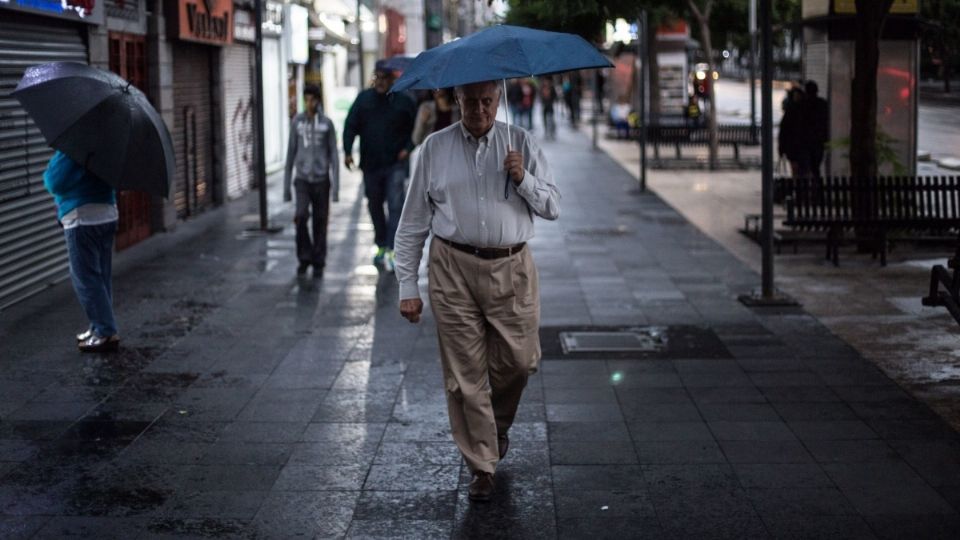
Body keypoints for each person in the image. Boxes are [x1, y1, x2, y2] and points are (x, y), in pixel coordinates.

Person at [393, 80, 560, 503]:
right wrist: (407, 285)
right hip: (452, 268)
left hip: (512, 267)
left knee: (519, 363)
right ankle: (482, 464)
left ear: (499, 100)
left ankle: (495, 427)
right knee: (464, 376)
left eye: (487, 101)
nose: (479, 110)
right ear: (458, 100)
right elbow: (412, 221)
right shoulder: (434, 148)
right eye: (471, 102)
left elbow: (553, 207)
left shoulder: (520, 141)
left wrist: (522, 178)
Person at [43, 150, 120, 353]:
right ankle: (98, 326)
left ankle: (105, 332)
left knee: (85, 278)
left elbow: (54, 182)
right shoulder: (108, 146)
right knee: (101, 277)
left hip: (82, 218)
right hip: (107, 214)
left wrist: (50, 167)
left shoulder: (73, 148)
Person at [343, 61, 417, 272]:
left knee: (395, 206)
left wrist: (408, 147)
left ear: (393, 80)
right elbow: (351, 124)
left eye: (385, 78)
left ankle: (393, 248)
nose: (381, 82)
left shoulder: (403, 101)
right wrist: (348, 151)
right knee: (374, 205)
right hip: (371, 164)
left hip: (395, 163)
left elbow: (416, 127)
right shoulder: (364, 99)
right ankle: (382, 245)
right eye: (378, 77)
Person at [284, 84, 340, 278]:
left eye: (313, 99)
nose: (309, 103)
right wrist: (286, 187)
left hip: (322, 180)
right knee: (300, 216)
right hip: (302, 180)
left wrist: (336, 188)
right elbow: (290, 153)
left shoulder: (327, 123)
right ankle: (304, 256)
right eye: (306, 99)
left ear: (318, 100)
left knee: (320, 221)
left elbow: (333, 153)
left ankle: (318, 260)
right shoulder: (297, 123)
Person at [778, 86, 809, 177]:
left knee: (796, 170)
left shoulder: (790, 111)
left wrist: (781, 148)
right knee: (802, 170)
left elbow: (783, 131)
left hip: (794, 147)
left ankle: (798, 187)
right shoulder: (805, 110)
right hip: (799, 147)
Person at [802, 80, 829, 179]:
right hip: (818, 142)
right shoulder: (823, 105)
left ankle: (807, 190)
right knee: (815, 167)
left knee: (805, 169)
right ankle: (817, 190)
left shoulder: (801, 105)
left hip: (805, 142)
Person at [539, 76, 557, 140]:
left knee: (551, 119)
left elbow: (555, 96)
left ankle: (552, 131)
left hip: (550, 105)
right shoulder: (542, 88)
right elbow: (540, 96)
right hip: (544, 106)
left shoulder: (552, 88)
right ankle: (546, 131)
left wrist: (550, 99)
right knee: (545, 119)